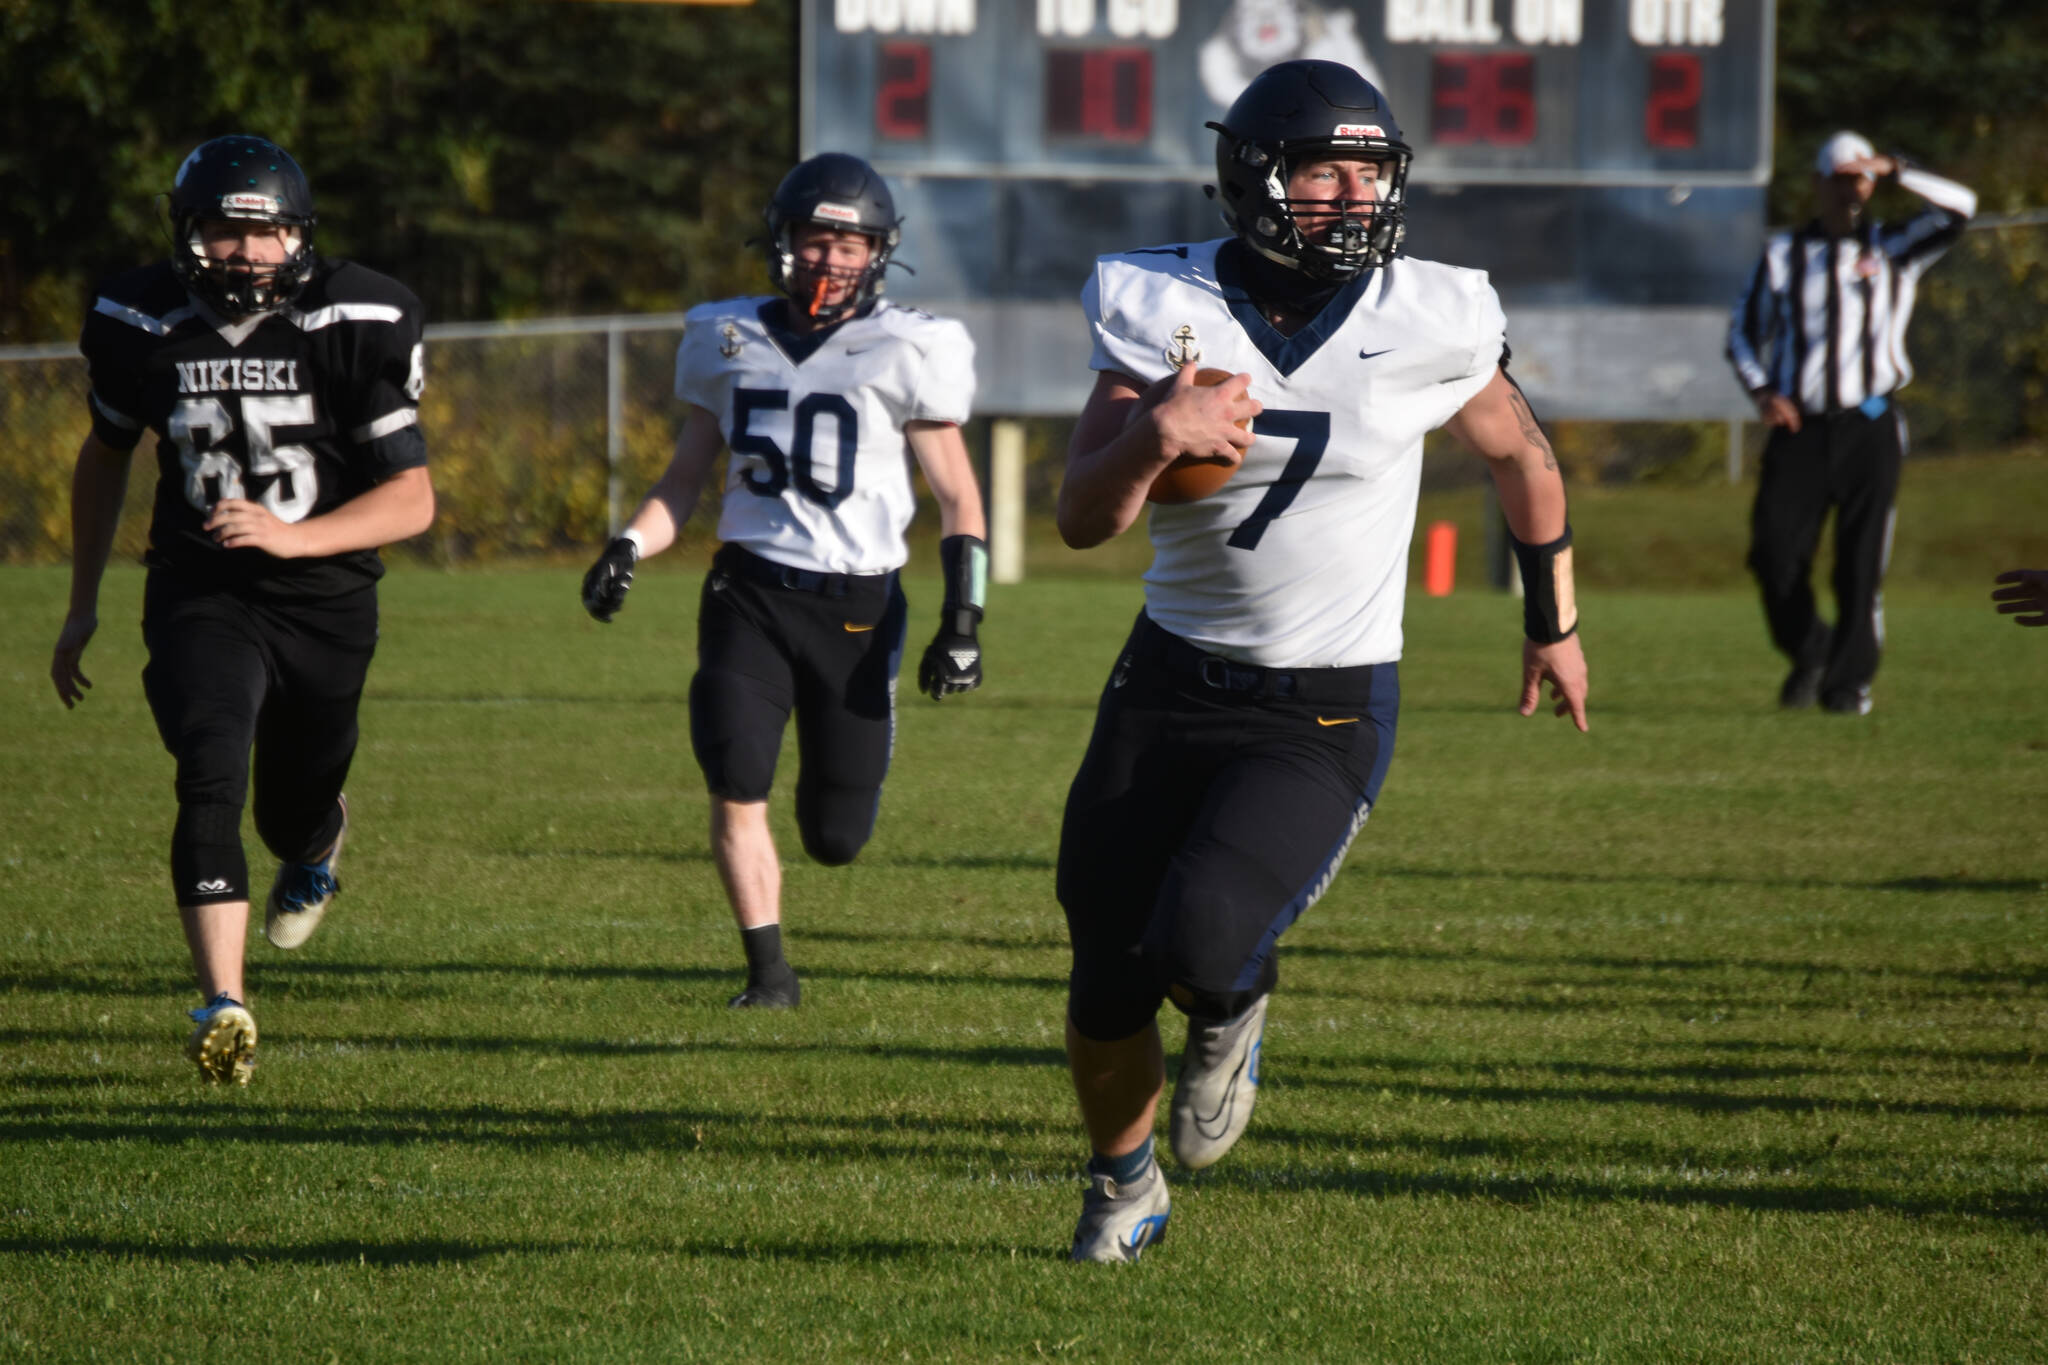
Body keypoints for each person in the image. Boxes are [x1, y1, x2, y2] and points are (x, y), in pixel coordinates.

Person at [1053, 60, 1589, 1263]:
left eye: (1371, 170)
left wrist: (1550, 621)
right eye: (1321, 169)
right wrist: (1149, 438)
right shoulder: (1158, 301)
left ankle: (1232, 1005)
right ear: (1255, 178)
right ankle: (1120, 1182)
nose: (1352, 195)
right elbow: (1081, 518)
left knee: (1194, 942)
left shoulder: (1429, 314)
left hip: (1323, 705)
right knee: (1101, 973)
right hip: (1166, 679)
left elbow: (1522, 459)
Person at [50, 135, 435, 1084]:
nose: (249, 254)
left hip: (327, 597)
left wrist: (291, 535)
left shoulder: (355, 314)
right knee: (209, 767)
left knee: (290, 808)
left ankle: (316, 841)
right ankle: (224, 1002)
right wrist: (82, 603)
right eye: (227, 232)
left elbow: (413, 499)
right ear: (188, 235)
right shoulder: (141, 319)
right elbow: (104, 457)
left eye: (270, 235)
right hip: (202, 587)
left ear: (301, 239)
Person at [580, 152, 987, 1009]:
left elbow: (958, 496)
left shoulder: (913, 345)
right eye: (816, 239)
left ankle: (814, 858)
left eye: (850, 243)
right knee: (735, 773)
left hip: (857, 606)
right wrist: (627, 545)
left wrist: (964, 619)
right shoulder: (727, 334)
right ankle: (769, 974)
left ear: (879, 252)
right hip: (749, 593)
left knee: (836, 835)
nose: (831, 259)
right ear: (784, 242)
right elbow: (685, 477)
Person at [1727, 131, 1977, 714]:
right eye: (1840, 178)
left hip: (1870, 424)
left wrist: (1898, 167)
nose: (1850, 190)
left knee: (1859, 564)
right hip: (1801, 429)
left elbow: (1960, 208)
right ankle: (1812, 650)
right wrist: (1763, 390)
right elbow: (1742, 332)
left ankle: (1847, 687)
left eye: (1860, 179)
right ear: (1818, 184)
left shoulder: (1895, 247)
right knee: (1773, 555)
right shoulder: (1784, 256)